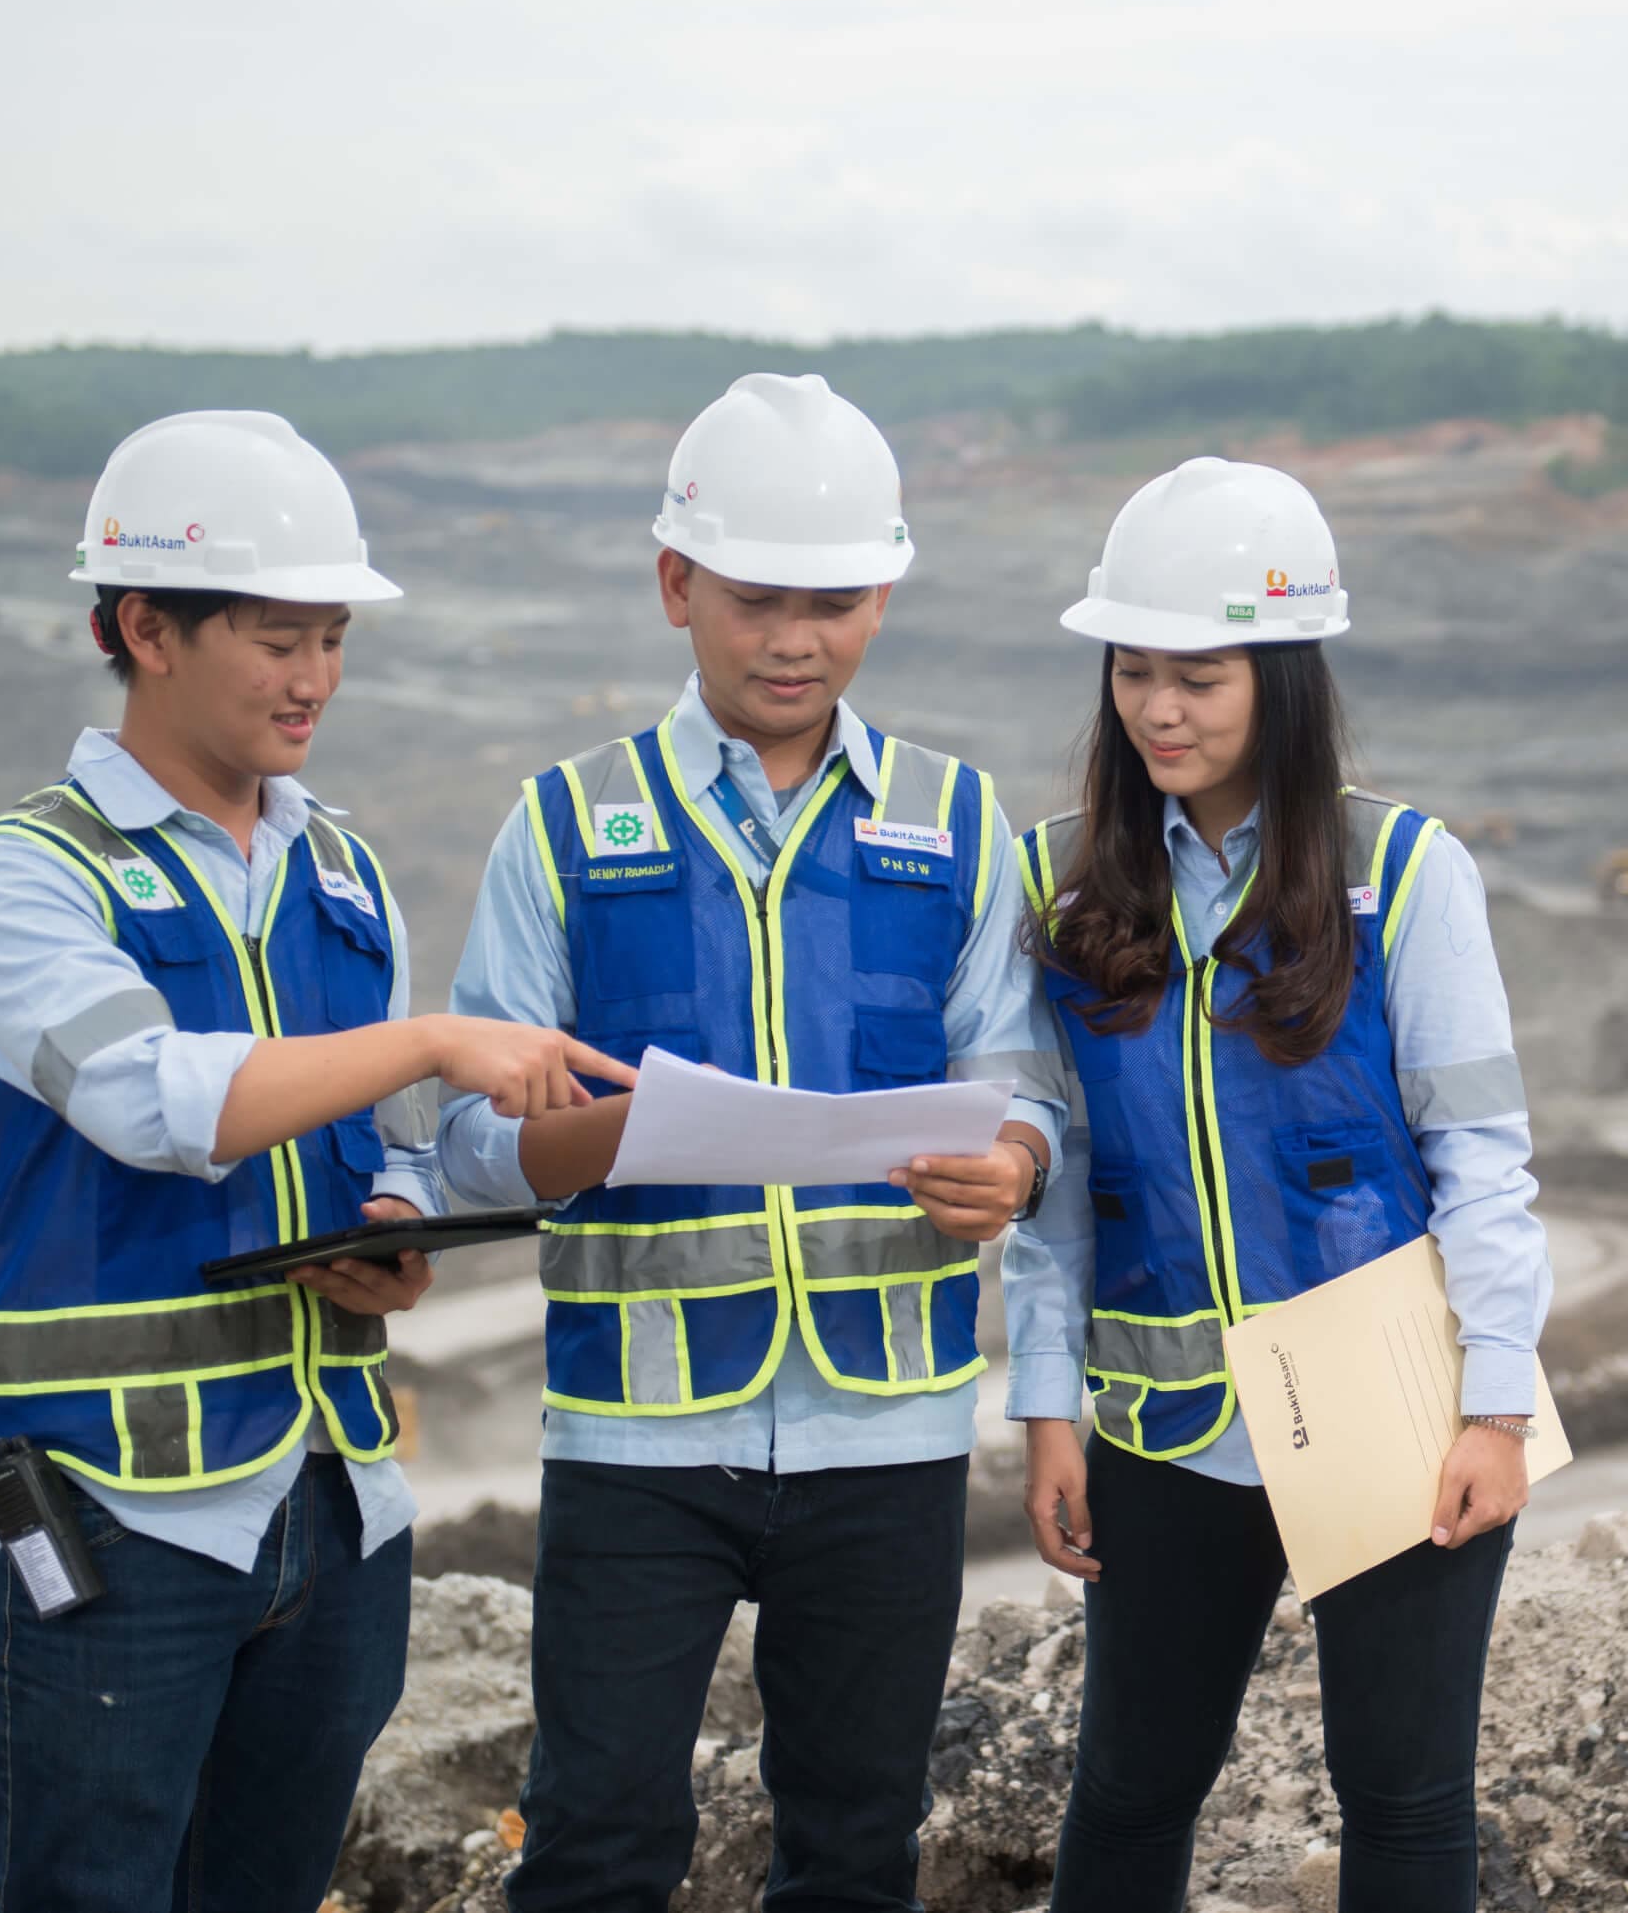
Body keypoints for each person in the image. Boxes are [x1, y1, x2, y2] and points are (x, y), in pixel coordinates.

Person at [0, 409, 633, 1912]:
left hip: (331, 1503)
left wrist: (397, 1220)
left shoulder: (340, 868)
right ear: (145, 626)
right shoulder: (25, 875)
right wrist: (436, 1039)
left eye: (332, 636)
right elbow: (147, 1097)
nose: (316, 676)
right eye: (276, 636)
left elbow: (389, 1147)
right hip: (114, 1519)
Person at [437, 372, 1066, 1912]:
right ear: (677, 585)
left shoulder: (958, 822)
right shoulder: (566, 827)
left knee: (856, 1846)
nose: (799, 637)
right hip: (639, 1440)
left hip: (891, 1432)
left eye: (838, 600)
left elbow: (1025, 1086)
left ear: (887, 592)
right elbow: (462, 1143)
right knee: (593, 1840)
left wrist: (1020, 1165)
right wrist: (593, 1138)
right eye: (760, 597)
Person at [1005, 458, 1553, 1912]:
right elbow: (1057, 1188)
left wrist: (1495, 1403)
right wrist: (1046, 1405)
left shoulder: (1404, 875)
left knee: (1406, 1797)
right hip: (1168, 1428)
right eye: (1132, 672)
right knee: (1127, 1793)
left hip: (1393, 1406)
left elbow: (1482, 1159)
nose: (1159, 710)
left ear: (1286, 675)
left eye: (1199, 674)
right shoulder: (1058, 885)